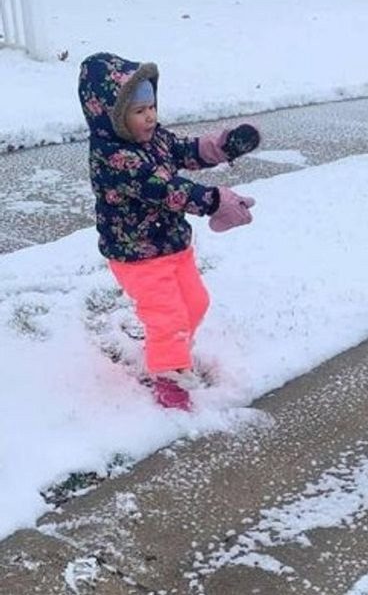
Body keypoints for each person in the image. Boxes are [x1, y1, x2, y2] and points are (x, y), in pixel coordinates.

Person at [79, 52, 261, 411]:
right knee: (168, 316)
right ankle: (166, 375)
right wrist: (213, 201)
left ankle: (169, 349)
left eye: (151, 106)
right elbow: (166, 188)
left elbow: (182, 150)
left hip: (172, 244)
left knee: (196, 303)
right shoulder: (115, 158)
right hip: (137, 255)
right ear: (112, 116)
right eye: (138, 111)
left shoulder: (153, 138)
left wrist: (219, 147)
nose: (150, 116)